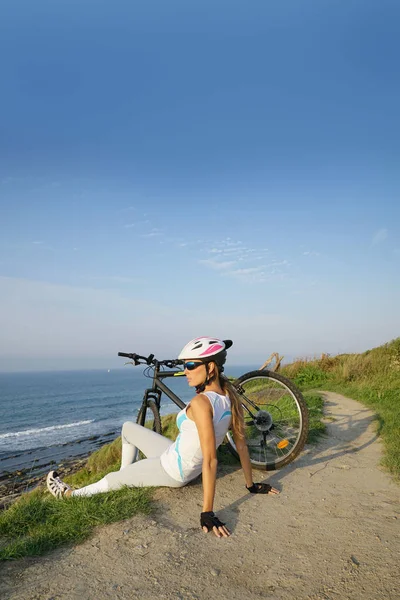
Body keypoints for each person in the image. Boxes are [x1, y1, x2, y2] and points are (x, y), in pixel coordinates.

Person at [47, 337, 279, 538]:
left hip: (172, 470)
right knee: (128, 428)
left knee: (109, 480)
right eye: (184, 365)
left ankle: (69, 495)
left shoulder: (201, 403)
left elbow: (211, 460)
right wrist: (251, 486)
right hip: (176, 454)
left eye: (190, 365)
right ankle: (126, 474)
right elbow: (241, 444)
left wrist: (207, 512)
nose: (185, 371)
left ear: (210, 368)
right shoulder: (228, 396)